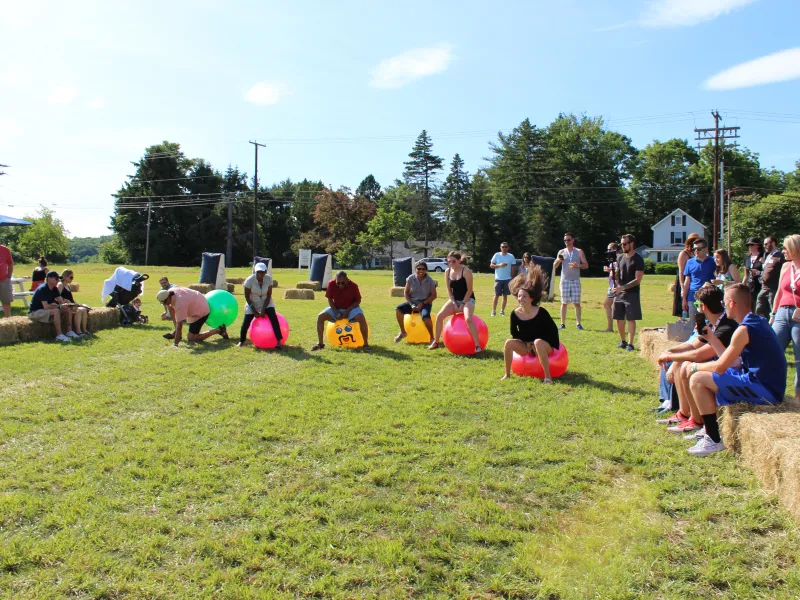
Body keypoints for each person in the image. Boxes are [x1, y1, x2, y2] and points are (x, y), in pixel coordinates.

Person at [684, 283, 787, 456]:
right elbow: (732, 364)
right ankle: (710, 429)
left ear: (732, 303)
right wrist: (711, 338)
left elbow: (720, 366)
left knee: (697, 379)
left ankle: (713, 439)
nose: (723, 307)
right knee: (707, 376)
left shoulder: (743, 329)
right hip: (765, 383)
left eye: (724, 303)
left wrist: (693, 367)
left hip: (766, 390)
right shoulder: (757, 321)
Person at [655, 284, 739, 435]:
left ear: (703, 306)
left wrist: (669, 356)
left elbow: (699, 355)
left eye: (697, 304)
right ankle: (684, 414)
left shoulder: (726, 327)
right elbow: (693, 345)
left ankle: (696, 420)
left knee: (686, 365)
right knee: (682, 363)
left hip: (731, 371)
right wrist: (669, 351)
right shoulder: (715, 323)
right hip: (719, 365)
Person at [500, 266, 560, 383]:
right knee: (508, 343)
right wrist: (526, 343)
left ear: (531, 298)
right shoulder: (515, 313)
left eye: (524, 296)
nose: (521, 298)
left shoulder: (541, 312)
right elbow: (514, 333)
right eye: (519, 296)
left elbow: (553, 331)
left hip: (544, 345)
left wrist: (539, 343)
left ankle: (548, 377)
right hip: (526, 345)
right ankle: (507, 374)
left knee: (538, 342)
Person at [429, 251, 480, 352]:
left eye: (453, 261)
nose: (451, 263)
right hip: (454, 299)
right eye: (449, 262)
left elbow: (469, 291)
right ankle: (436, 342)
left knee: (468, 319)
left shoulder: (466, 271)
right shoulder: (447, 271)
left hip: (468, 299)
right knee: (439, 316)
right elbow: (449, 290)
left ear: (459, 260)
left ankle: (477, 345)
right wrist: (453, 303)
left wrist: (462, 304)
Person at [770, 234, 800, 402]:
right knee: (772, 351)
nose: (783, 251)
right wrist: (773, 315)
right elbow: (779, 293)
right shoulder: (786, 267)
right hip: (782, 312)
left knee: (799, 357)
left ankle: (798, 396)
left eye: (786, 248)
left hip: (799, 316)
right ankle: (772, 391)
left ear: (796, 248)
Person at [311, 271, 369, 351]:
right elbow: (330, 299)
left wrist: (348, 311)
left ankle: (365, 344)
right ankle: (320, 344)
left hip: (351, 308)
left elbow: (358, 301)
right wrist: (336, 313)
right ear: (335, 280)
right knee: (320, 316)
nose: (340, 285)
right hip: (336, 308)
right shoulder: (331, 284)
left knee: (361, 318)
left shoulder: (354, 286)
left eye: (343, 283)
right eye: (338, 283)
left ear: (347, 280)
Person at [157, 287, 229, 346]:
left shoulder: (179, 304)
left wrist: (175, 344)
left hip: (201, 310)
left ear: (168, 298)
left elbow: (180, 327)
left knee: (191, 338)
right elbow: (172, 312)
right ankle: (177, 334)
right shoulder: (170, 291)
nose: (165, 304)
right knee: (170, 308)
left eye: (164, 302)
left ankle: (219, 330)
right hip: (196, 301)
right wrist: (176, 332)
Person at [612, 233, 645, 351]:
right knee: (619, 318)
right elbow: (617, 276)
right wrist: (614, 276)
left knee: (631, 318)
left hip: (632, 293)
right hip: (620, 292)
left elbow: (638, 280)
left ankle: (630, 344)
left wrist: (623, 287)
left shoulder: (638, 259)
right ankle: (623, 341)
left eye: (625, 244)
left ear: (632, 244)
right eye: (621, 244)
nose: (623, 246)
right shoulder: (620, 257)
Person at [239, 262, 283, 349]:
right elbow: (247, 296)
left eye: (262, 272)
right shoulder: (249, 280)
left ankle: (278, 341)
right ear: (255, 272)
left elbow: (269, 295)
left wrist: (263, 309)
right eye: (258, 272)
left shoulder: (269, 279)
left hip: (266, 301)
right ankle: (242, 340)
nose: (260, 274)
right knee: (246, 322)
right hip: (252, 302)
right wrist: (254, 311)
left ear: (265, 272)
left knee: (273, 318)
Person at [394, 260, 437, 342]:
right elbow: (406, 293)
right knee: (398, 310)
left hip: (425, 303)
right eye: (419, 269)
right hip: (413, 302)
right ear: (415, 269)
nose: (421, 271)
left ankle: (432, 338)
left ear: (426, 270)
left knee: (426, 317)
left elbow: (434, 295)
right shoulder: (410, 278)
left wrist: (423, 303)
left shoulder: (430, 281)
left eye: (423, 269)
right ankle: (403, 332)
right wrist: (412, 304)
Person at [553, 232, 588, 330]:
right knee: (564, 303)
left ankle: (578, 324)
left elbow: (586, 265)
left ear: (573, 240)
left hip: (575, 280)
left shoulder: (579, 251)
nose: (566, 242)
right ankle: (562, 324)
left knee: (576, 303)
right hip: (564, 280)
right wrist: (559, 260)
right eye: (565, 240)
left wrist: (578, 265)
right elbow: (555, 266)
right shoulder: (561, 252)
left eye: (568, 240)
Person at [27, 271, 75, 342]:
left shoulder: (54, 289)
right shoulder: (43, 289)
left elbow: (61, 301)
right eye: (56, 279)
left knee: (67, 309)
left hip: (45, 310)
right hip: (35, 312)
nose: (58, 281)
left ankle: (69, 331)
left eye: (58, 279)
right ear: (49, 279)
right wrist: (58, 306)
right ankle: (59, 335)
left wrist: (67, 305)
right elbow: (46, 306)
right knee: (56, 311)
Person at [682, 237, 716, 321]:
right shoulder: (689, 262)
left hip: (709, 297)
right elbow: (687, 281)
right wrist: (684, 299)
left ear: (706, 249)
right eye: (694, 249)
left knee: (709, 323)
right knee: (693, 323)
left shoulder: (713, 261)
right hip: (692, 296)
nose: (696, 251)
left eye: (699, 249)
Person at [756, 235, 785, 318]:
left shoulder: (780, 256)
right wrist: (759, 273)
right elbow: (767, 271)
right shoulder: (768, 256)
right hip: (764, 287)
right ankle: (761, 327)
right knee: (759, 309)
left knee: (773, 310)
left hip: (773, 288)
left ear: (773, 243)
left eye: (766, 244)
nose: (764, 246)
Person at [673, 233, 700, 317]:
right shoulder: (684, 254)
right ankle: (682, 323)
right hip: (684, 279)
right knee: (682, 304)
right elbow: (681, 271)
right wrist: (682, 286)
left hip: (694, 279)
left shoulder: (696, 253)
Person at [58, 269, 89, 336]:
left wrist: (78, 304)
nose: (72, 279)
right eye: (71, 277)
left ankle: (84, 330)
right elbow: (56, 296)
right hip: (65, 306)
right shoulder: (60, 285)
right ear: (65, 277)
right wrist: (65, 300)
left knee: (84, 308)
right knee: (81, 310)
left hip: (71, 305)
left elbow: (71, 298)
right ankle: (78, 331)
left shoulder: (68, 286)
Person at [490, 242, 516, 317]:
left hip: (507, 279)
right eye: (503, 247)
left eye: (505, 247)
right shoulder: (496, 255)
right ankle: (493, 311)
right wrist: (499, 265)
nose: (504, 248)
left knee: (505, 296)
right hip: (498, 279)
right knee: (496, 295)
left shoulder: (511, 256)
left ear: (508, 248)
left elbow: (513, 267)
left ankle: (502, 311)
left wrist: (512, 278)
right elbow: (491, 265)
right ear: (500, 248)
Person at [602, 242, 620, 332]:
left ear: (615, 249)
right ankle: (610, 327)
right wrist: (609, 270)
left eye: (610, 249)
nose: (608, 251)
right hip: (612, 285)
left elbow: (618, 272)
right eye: (607, 249)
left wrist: (613, 271)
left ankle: (612, 327)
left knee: (617, 307)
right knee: (607, 304)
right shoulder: (611, 260)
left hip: (617, 286)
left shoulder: (618, 259)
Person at [743, 237, 764, 307]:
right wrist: (743, 285)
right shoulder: (747, 258)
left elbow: (768, 271)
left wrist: (763, 263)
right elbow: (745, 275)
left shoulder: (763, 256)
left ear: (757, 245)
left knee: (759, 307)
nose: (750, 247)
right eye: (748, 245)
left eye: (752, 245)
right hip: (750, 286)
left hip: (760, 285)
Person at [0, 241, 12, 318]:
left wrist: (9, 275)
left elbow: (10, 263)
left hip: (4, 280)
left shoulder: (5, 250)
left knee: (6, 302)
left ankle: (8, 320)